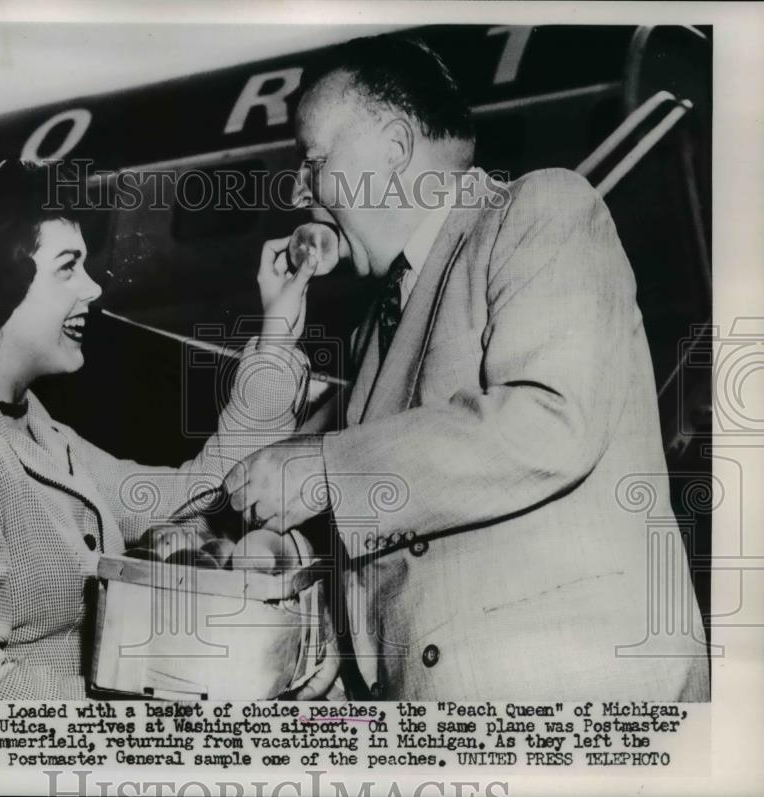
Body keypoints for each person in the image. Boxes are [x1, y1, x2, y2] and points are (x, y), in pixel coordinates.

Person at [224, 34, 711, 700]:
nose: (298, 188)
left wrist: (325, 468)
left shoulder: (544, 208)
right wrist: (336, 635)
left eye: (313, 161)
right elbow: (397, 521)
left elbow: (550, 421)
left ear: (394, 148)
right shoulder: (375, 330)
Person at [0, 158, 317, 700]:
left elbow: (203, 491)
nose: (94, 288)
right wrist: (149, 707)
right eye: (67, 267)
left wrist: (277, 334)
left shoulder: (35, 428)